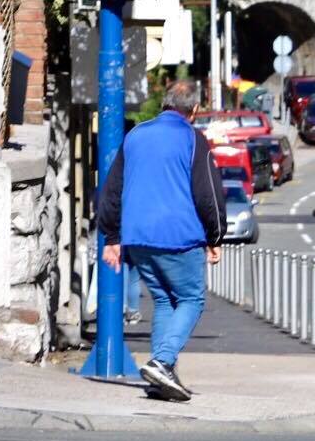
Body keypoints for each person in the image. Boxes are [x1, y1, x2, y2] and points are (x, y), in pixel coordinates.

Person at [94, 78, 224, 403]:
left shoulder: (135, 135)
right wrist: (215, 236)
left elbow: (112, 189)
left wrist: (112, 236)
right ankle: (163, 362)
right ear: (195, 109)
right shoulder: (193, 139)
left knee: (165, 301)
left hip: (137, 237)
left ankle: (159, 380)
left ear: (166, 103)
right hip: (179, 235)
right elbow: (207, 193)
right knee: (191, 299)